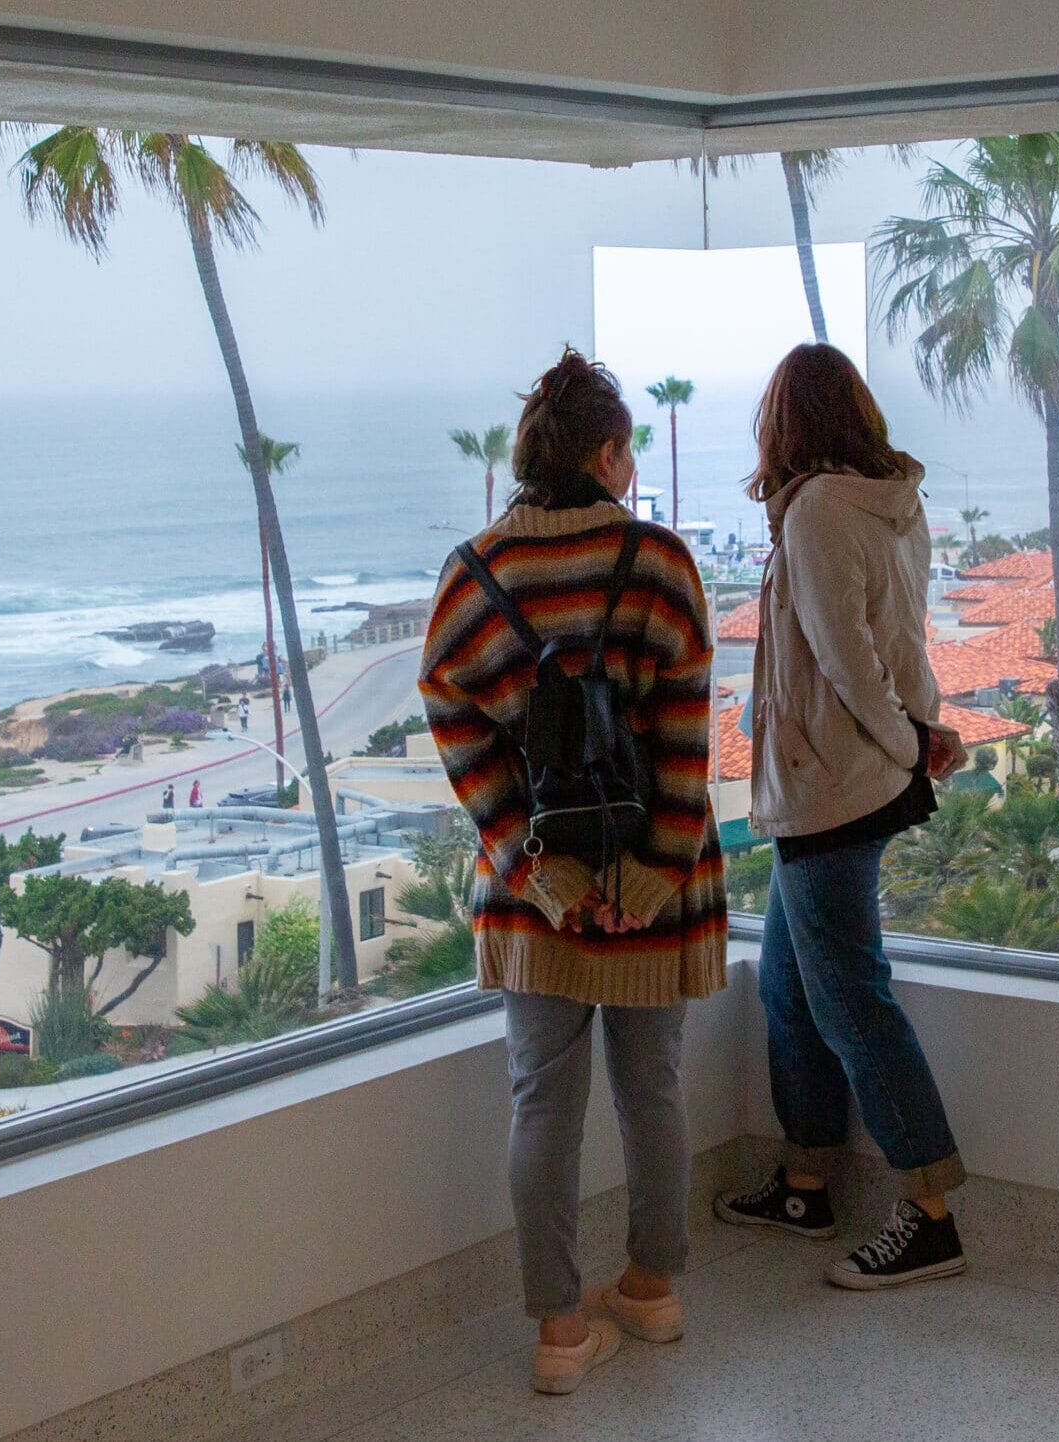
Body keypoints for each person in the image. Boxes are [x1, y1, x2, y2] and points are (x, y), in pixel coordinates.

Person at [420, 348, 724, 1397]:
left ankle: (558, 1330)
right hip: (657, 883)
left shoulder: (473, 574)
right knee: (654, 1090)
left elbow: (457, 726)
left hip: (539, 893)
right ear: (608, 452)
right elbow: (687, 730)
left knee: (541, 1105)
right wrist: (656, 865)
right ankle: (653, 1286)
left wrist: (526, 859)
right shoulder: (662, 561)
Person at [714, 343, 971, 1290]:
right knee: (790, 985)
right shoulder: (893, 503)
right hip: (857, 770)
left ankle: (932, 1213)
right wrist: (923, 728)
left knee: (852, 998)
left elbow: (845, 655)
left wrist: (908, 743)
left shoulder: (821, 509)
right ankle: (807, 1182)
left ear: (785, 422)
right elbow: (902, 635)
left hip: (834, 781)